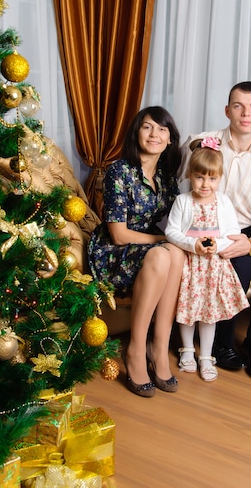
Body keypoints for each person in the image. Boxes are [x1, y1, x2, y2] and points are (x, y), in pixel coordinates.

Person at [179, 81, 251, 379]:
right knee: (237, 268)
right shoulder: (205, 142)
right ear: (227, 110)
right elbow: (181, 173)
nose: (246, 113)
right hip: (215, 227)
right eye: (239, 106)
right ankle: (221, 345)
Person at [88, 106, 185, 397]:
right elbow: (118, 234)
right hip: (111, 252)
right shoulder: (119, 170)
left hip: (144, 248)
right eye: (147, 127)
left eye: (162, 129)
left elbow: (183, 218)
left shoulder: (167, 178)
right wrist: (161, 239)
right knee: (163, 252)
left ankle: (158, 346)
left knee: (177, 253)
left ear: (170, 139)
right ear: (136, 133)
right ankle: (134, 349)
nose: (154, 134)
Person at [165, 137, 249, 382]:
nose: (205, 184)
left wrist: (216, 246)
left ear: (219, 178)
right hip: (190, 266)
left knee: (209, 313)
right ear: (191, 174)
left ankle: (206, 355)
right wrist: (193, 244)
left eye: (212, 178)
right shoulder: (183, 202)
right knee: (188, 309)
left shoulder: (223, 202)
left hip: (214, 268)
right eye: (200, 177)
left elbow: (233, 233)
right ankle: (188, 350)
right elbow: (172, 232)